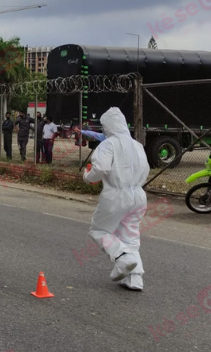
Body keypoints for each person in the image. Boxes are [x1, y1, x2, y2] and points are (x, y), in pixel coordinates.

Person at [83, 107, 149, 291]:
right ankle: (134, 279)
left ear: (108, 126)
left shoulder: (109, 144)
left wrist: (88, 176)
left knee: (99, 230)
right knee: (130, 235)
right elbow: (146, 169)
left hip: (116, 194)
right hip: (138, 195)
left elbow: (101, 169)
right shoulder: (137, 145)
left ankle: (123, 258)